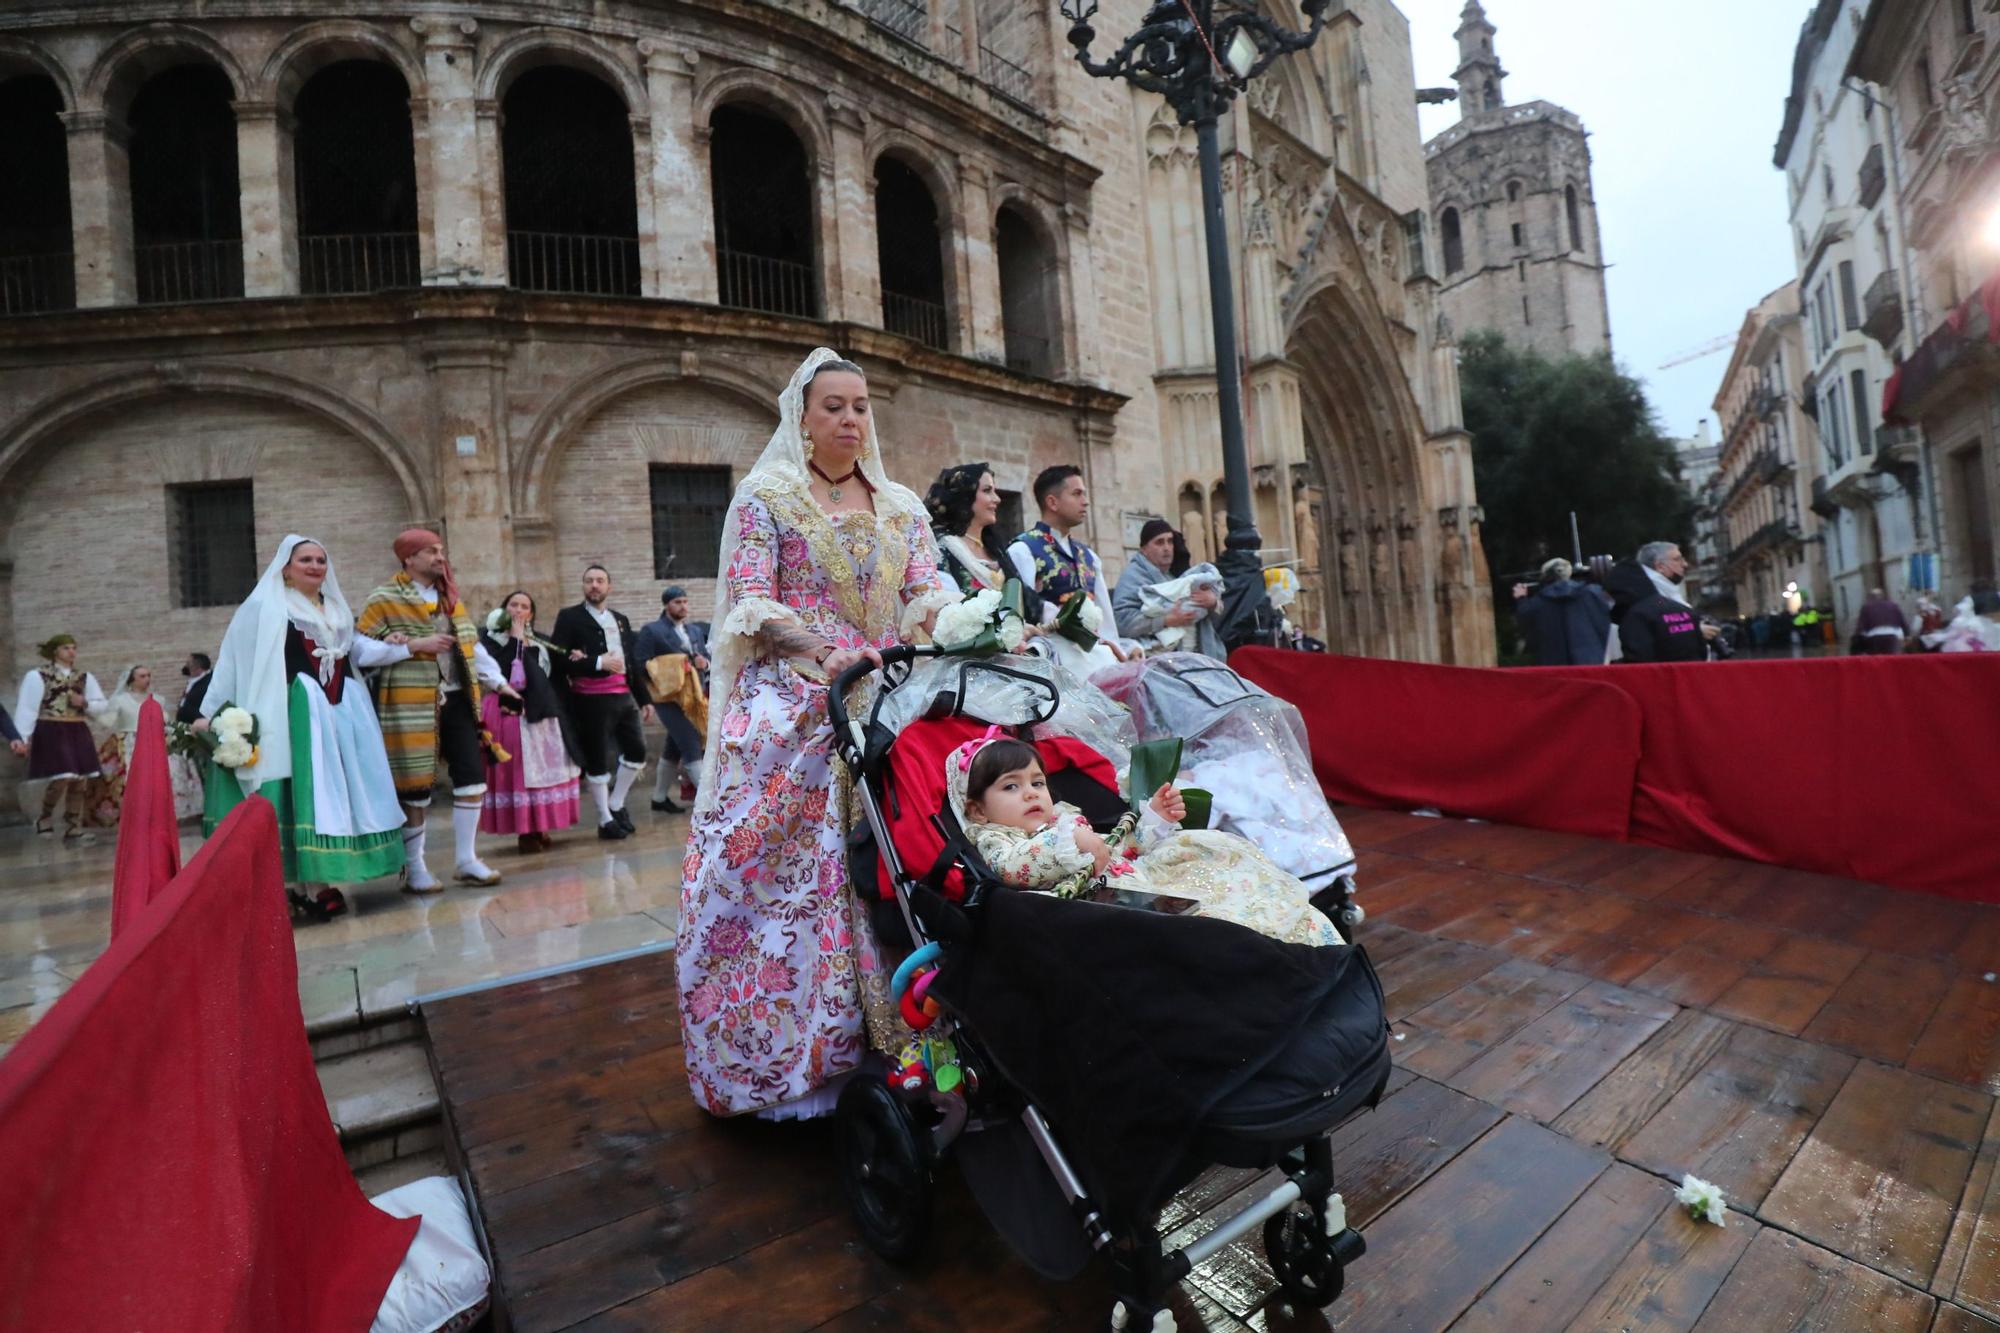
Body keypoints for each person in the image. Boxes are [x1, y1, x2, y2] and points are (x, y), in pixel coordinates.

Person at [676, 348, 957, 1121]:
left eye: (861, 406)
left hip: (892, 683)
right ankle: (814, 1056)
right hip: (801, 690)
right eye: (833, 405)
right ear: (801, 415)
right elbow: (752, 600)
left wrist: (950, 618)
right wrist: (817, 649)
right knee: (787, 864)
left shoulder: (902, 503)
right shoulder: (767, 496)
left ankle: (931, 1018)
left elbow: (926, 585)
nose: (849, 419)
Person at [952, 734, 1340, 947]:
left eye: (1037, 782)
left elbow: (1117, 847)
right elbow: (1016, 867)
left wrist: (1152, 818)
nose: (1032, 793)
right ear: (978, 810)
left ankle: (1298, 941)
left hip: (1134, 885)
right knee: (1213, 924)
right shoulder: (995, 839)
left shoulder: (1062, 817)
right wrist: (1072, 844)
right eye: (1011, 786)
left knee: (1223, 871)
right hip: (1098, 909)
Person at [198, 536, 412, 919]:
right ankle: (307, 886)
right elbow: (238, 657)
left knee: (341, 790)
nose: (315, 566)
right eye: (305, 560)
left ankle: (319, 882)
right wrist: (219, 712)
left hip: (342, 709)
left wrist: (396, 644)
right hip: (294, 706)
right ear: (285, 567)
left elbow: (351, 651)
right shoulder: (266, 605)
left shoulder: (334, 606)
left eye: (320, 560)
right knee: (302, 789)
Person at [357, 529, 505, 892]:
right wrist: (412, 646)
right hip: (409, 702)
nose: (440, 557)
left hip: (456, 698)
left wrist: (500, 684)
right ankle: (415, 866)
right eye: (431, 552)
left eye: (441, 551)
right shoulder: (384, 597)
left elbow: (472, 647)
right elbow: (358, 650)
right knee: (414, 788)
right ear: (409, 559)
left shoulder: (450, 598)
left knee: (472, 778)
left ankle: (467, 859)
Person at [550, 564, 655, 840]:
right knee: (597, 759)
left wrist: (644, 698)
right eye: (589, 581)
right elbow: (558, 660)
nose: (594, 585)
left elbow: (629, 662)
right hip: (590, 700)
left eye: (599, 581)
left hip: (623, 696)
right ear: (583, 586)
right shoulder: (569, 617)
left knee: (637, 752)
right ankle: (605, 819)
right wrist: (596, 662)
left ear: (610, 586)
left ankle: (616, 802)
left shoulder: (620, 619)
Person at [477, 591, 580, 852]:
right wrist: (514, 639)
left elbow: (561, 667)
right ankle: (525, 831)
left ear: (531, 614)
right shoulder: (488, 641)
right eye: (513, 605)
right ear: (504, 609)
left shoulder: (540, 641)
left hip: (541, 713)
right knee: (519, 770)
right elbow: (498, 671)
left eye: (524, 607)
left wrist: (579, 657)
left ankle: (541, 825)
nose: (518, 610)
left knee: (543, 770)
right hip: (507, 711)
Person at [1007, 465, 1131, 675]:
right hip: (1052, 661)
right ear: (1052, 502)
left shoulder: (1088, 556)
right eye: (1077, 494)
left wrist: (1116, 655)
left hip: (1096, 658)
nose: (1085, 501)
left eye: (1084, 493)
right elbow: (1020, 615)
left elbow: (1106, 621)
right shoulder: (1023, 549)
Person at [11, 635, 107, 840]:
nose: (71, 652)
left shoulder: (84, 677)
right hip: (51, 728)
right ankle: (45, 817)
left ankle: (74, 825)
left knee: (80, 779)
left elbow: (102, 705)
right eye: (66, 648)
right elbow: (27, 707)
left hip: (77, 728)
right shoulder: (38, 675)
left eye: (74, 648)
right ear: (55, 651)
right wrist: (22, 737)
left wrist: (85, 703)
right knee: (63, 775)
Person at [924, 462, 1042, 617]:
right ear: (965, 496)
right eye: (987, 491)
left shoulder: (995, 549)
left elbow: (1026, 602)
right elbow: (947, 611)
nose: (997, 499)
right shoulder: (942, 548)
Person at [634, 585, 709, 814]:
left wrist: (704, 663)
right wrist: (676, 666)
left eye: (685, 601)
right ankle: (710, 805)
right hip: (668, 698)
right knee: (691, 743)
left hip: (694, 696)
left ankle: (658, 798)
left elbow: (706, 657)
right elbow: (640, 663)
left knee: (673, 748)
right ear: (667, 605)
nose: (683, 606)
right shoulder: (652, 631)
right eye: (678, 602)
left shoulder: (695, 631)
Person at [1114, 518, 1225, 659]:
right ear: (1144, 549)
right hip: (1158, 660)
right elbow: (1122, 622)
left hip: (1197, 655)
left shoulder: (1181, 574)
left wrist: (1212, 602)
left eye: (1170, 541)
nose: (1166, 548)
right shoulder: (1132, 577)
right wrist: (1167, 620)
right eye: (1159, 542)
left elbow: (1218, 612)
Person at [1610, 541, 1719, 664]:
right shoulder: (1650, 596)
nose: (1685, 564)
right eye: (1677, 559)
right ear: (1660, 566)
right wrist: (1695, 631)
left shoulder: (1659, 591)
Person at [1511, 557, 1613, 666]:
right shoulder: (1592, 593)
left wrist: (1521, 598)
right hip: (1592, 665)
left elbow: (1524, 622)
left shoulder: (1537, 603)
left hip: (1555, 669)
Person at [1854, 587, 1907, 655]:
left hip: (1874, 636)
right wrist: (1907, 634)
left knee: (1876, 660)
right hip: (1892, 635)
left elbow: (1860, 626)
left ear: (1870, 597)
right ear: (1883, 596)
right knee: (1893, 658)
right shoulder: (1893, 605)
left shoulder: (1866, 607)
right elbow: (1902, 621)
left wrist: (1858, 637)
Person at [177, 652, 213, 726]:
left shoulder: (208, 682)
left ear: (197, 667)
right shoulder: (195, 680)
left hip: (198, 725)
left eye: (188, 663)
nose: (186, 666)